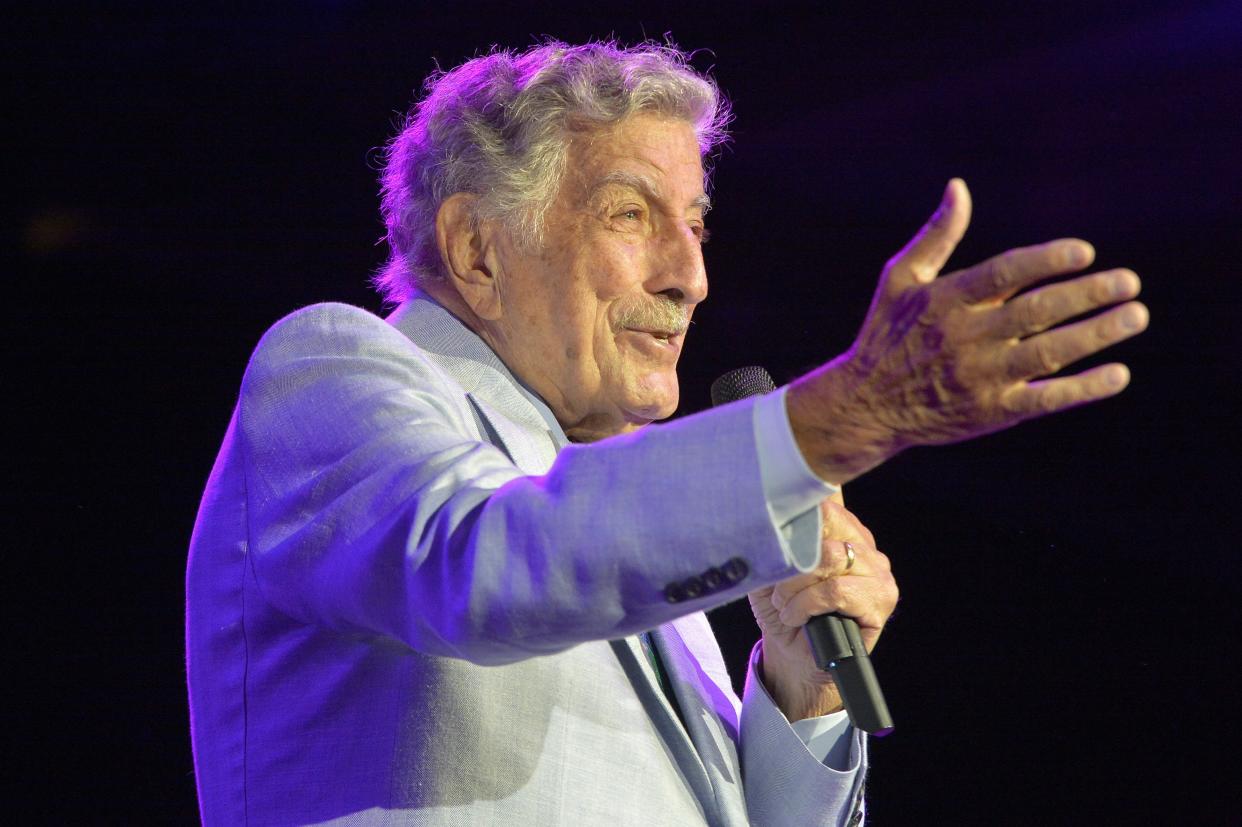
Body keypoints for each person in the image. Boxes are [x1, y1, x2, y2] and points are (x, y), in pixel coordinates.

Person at [185, 41, 1147, 826]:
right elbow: (485, 567)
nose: (691, 275)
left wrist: (799, 694)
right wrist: (845, 413)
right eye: (631, 215)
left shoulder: (625, 513)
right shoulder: (333, 369)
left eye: (696, 224)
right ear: (478, 250)